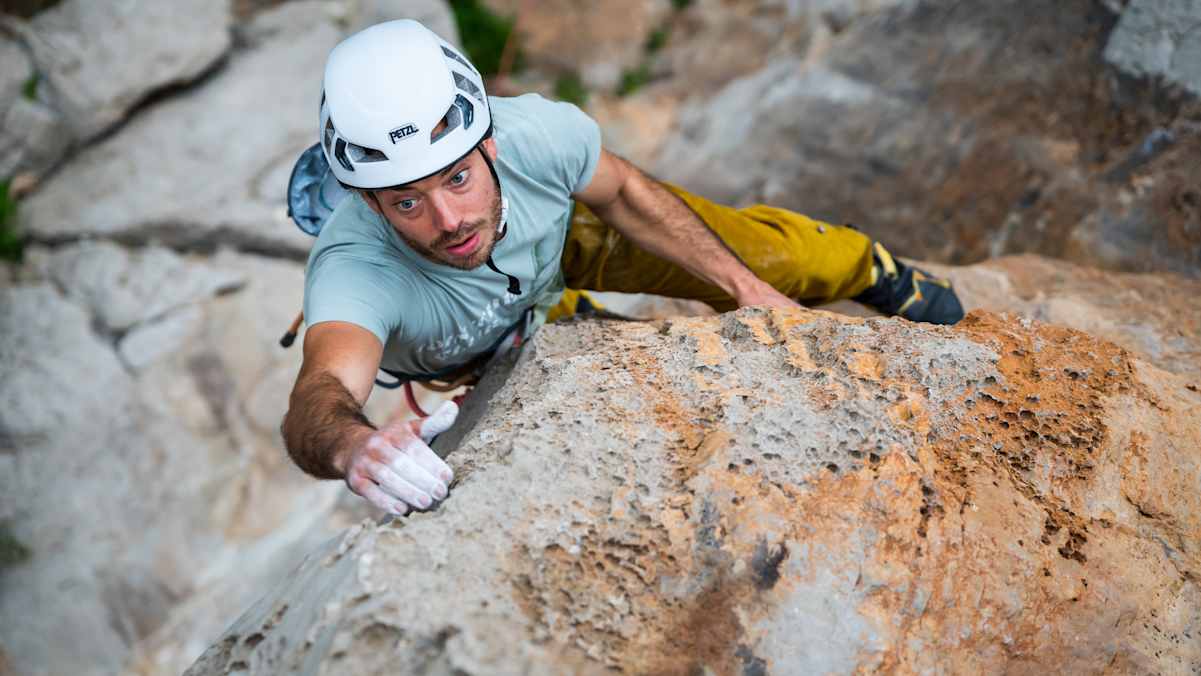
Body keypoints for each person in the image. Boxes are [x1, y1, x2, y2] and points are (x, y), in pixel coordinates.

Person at [281, 19, 964, 517]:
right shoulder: (354, 271)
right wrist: (354, 448)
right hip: (496, 334)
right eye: (406, 201)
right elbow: (320, 394)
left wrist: (748, 289)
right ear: (368, 202)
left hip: (557, 236)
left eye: (457, 177)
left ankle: (872, 269)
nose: (449, 219)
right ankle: (564, 318)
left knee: (781, 261)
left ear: (489, 143)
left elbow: (626, 194)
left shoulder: (537, 136)